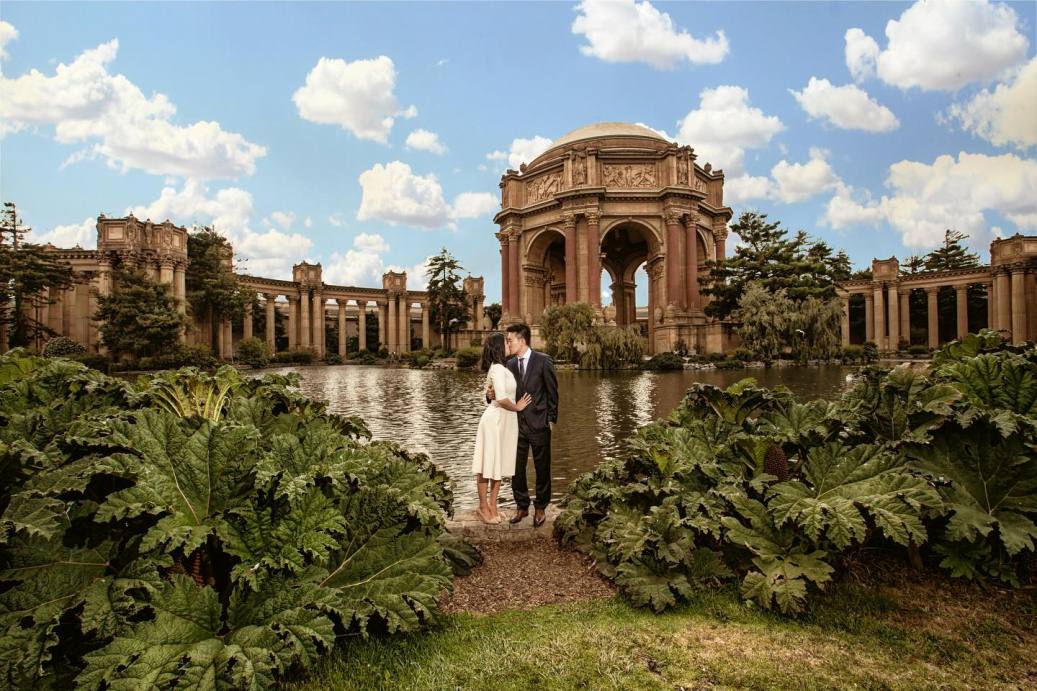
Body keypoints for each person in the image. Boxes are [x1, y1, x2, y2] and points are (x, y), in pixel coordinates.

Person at [489, 323, 558, 527]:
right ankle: (521, 506)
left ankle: (540, 507)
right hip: (515, 425)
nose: (508, 343)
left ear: (522, 340)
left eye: (510, 340)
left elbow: (552, 393)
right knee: (516, 468)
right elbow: (499, 394)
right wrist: (489, 394)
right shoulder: (508, 365)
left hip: (539, 424)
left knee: (542, 467)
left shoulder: (543, 361)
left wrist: (551, 419)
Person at [471, 332, 531, 524]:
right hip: (495, 421)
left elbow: (492, 392)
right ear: (498, 346)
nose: (508, 344)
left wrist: (493, 395)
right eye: (505, 342)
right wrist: (518, 407)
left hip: (506, 421)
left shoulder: (502, 367)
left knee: (499, 464)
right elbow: (502, 399)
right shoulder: (496, 369)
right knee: (486, 464)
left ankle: (493, 506)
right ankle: (483, 507)